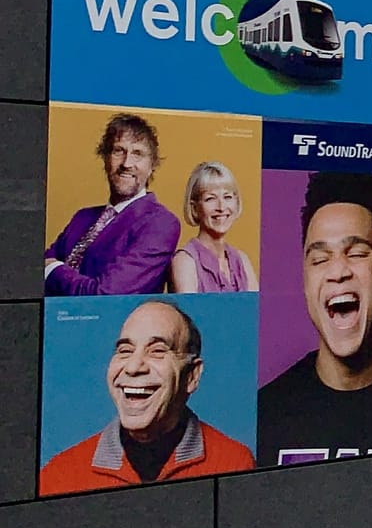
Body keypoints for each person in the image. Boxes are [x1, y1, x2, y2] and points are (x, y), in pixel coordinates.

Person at [256, 172, 372, 465]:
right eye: (320, 259)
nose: (337, 272)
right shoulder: (266, 412)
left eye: (357, 254)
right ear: (305, 283)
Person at [38, 300, 254, 496]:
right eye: (125, 350)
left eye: (157, 350)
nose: (133, 367)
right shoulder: (59, 475)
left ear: (192, 376)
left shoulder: (235, 463)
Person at [45, 113, 182, 296]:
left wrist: (52, 268)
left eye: (137, 154)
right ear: (106, 159)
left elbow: (106, 294)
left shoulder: (160, 223)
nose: (127, 163)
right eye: (118, 151)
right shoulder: (82, 217)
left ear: (152, 166)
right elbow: (33, 270)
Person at [170, 161, 259, 294]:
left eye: (227, 197)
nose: (221, 207)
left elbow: (257, 307)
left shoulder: (242, 260)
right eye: (210, 199)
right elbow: (190, 308)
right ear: (194, 208)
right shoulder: (185, 261)